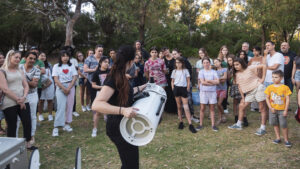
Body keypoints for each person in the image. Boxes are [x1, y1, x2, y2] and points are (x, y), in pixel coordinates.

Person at [92, 45, 147, 169]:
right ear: (130, 61)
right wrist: (123, 110)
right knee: (130, 165)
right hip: (117, 127)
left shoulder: (122, 75)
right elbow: (97, 104)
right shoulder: (113, 77)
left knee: (130, 164)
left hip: (126, 126)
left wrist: (142, 87)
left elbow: (124, 91)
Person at [0, 50, 34, 150]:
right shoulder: (2, 71)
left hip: (23, 100)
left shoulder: (20, 70)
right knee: (12, 125)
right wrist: (18, 100)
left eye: (19, 58)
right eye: (16, 57)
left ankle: (28, 143)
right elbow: (5, 89)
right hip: (9, 102)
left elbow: (26, 85)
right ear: (9, 57)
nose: (18, 59)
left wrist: (23, 98)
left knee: (27, 122)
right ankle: (11, 147)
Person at [228, 58, 268, 136]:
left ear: (242, 64)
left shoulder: (249, 68)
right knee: (241, 106)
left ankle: (263, 128)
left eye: (237, 64)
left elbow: (264, 66)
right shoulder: (236, 74)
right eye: (234, 65)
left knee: (262, 107)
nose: (235, 66)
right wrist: (243, 97)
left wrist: (263, 79)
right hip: (249, 93)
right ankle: (238, 124)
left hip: (258, 88)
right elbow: (239, 86)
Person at [52, 50, 78, 137]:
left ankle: (67, 123)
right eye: (63, 56)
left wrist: (69, 88)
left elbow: (74, 77)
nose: (65, 58)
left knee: (69, 106)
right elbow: (56, 79)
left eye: (67, 56)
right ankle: (56, 126)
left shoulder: (72, 66)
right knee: (60, 106)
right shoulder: (56, 66)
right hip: (60, 87)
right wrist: (63, 88)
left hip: (70, 86)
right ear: (60, 57)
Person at [264, 70, 292, 147]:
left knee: (283, 124)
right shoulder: (269, 87)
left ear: (281, 78)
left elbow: (288, 99)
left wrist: (286, 110)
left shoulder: (285, 87)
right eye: (272, 77)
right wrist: (270, 108)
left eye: (276, 77)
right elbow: (267, 98)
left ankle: (286, 140)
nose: (274, 79)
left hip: (282, 110)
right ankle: (278, 138)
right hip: (273, 109)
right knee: (275, 124)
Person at [18, 52, 40, 145]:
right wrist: (29, 81)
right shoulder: (18, 67)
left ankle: (31, 135)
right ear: (25, 58)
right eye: (30, 58)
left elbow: (34, 85)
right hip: (20, 94)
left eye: (34, 59)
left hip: (32, 95)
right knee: (18, 116)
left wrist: (21, 79)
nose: (32, 60)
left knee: (32, 116)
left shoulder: (36, 70)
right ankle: (15, 137)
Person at [171, 57, 197, 133]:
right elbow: (172, 81)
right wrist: (173, 88)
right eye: (176, 62)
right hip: (176, 89)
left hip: (184, 89)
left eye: (179, 62)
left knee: (185, 107)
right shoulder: (174, 71)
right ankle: (181, 122)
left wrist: (188, 87)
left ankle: (190, 124)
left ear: (182, 63)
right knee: (179, 106)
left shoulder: (185, 71)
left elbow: (188, 80)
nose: (177, 64)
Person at [197, 57, 220, 132]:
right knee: (202, 108)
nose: (206, 64)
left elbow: (218, 82)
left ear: (210, 63)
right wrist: (212, 82)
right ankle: (200, 124)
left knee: (212, 108)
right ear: (202, 64)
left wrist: (208, 81)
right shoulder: (201, 72)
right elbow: (202, 82)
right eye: (204, 63)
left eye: (207, 62)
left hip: (212, 92)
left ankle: (213, 125)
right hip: (203, 92)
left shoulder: (214, 72)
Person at [91, 56, 110, 137]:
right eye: (105, 62)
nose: (107, 64)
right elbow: (93, 85)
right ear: (100, 63)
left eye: (108, 62)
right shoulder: (96, 73)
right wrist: (102, 87)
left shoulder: (110, 71)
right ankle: (94, 129)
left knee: (110, 111)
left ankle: (110, 129)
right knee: (98, 112)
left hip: (109, 93)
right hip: (100, 94)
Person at [84, 45, 104, 111]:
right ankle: (95, 111)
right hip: (91, 81)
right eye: (99, 51)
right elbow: (85, 69)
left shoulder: (103, 58)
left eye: (102, 51)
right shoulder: (89, 58)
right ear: (95, 50)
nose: (100, 52)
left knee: (102, 96)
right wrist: (94, 70)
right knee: (93, 96)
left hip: (102, 81)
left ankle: (101, 109)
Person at [38, 52, 54, 121]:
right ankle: (40, 115)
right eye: (41, 56)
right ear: (38, 57)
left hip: (50, 85)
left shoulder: (49, 65)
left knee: (50, 100)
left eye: (44, 56)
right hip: (41, 85)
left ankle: (50, 114)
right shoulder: (37, 65)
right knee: (41, 100)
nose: (43, 57)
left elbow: (52, 75)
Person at [248, 47, 265, 112]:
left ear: (259, 51)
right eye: (253, 51)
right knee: (253, 91)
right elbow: (248, 67)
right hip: (252, 78)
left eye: (256, 51)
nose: (255, 52)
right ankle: (254, 106)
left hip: (260, 77)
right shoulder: (251, 59)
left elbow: (264, 67)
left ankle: (261, 107)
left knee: (260, 92)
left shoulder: (262, 58)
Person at [163, 47, 177, 114]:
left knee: (174, 92)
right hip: (166, 78)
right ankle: (168, 109)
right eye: (164, 52)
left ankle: (175, 109)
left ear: (169, 50)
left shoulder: (174, 58)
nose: (166, 52)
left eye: (166, 50)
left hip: (175, 78)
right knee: (168, 93)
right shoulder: (163, 60)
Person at [227, 55, 241, 123]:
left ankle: (243, 117)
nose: (229, 62)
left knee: (242, 102)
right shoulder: (230, 69)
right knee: (235, 102)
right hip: (234, 86)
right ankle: (236, 116)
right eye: (228, 61)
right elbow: (229, 79)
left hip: (241, 86)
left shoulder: (238, 67)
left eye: (230, 60)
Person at [214, 59, 227, 124]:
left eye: (217, 62)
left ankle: (223, 114)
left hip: (223, 89)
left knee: (219, 103)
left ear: (220, 62)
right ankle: (220, 118)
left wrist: (217, 80)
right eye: (214, 63)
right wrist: (219, 80)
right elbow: (214, 80)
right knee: (218, 105)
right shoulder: (214, 71)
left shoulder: (224, 69)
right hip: (216, 89)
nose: (216, 63)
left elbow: (225, 78)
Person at [291, 48, 300, 113]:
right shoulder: (296, 58)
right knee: (298, 92)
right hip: (297, 74)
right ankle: (299, 108)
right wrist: (292, 77)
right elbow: (294, 67)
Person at [0, 52, 6, 135]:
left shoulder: (6, 68)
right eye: (0, 58)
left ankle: (7, 127)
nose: (2, 59)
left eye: (3, 57)